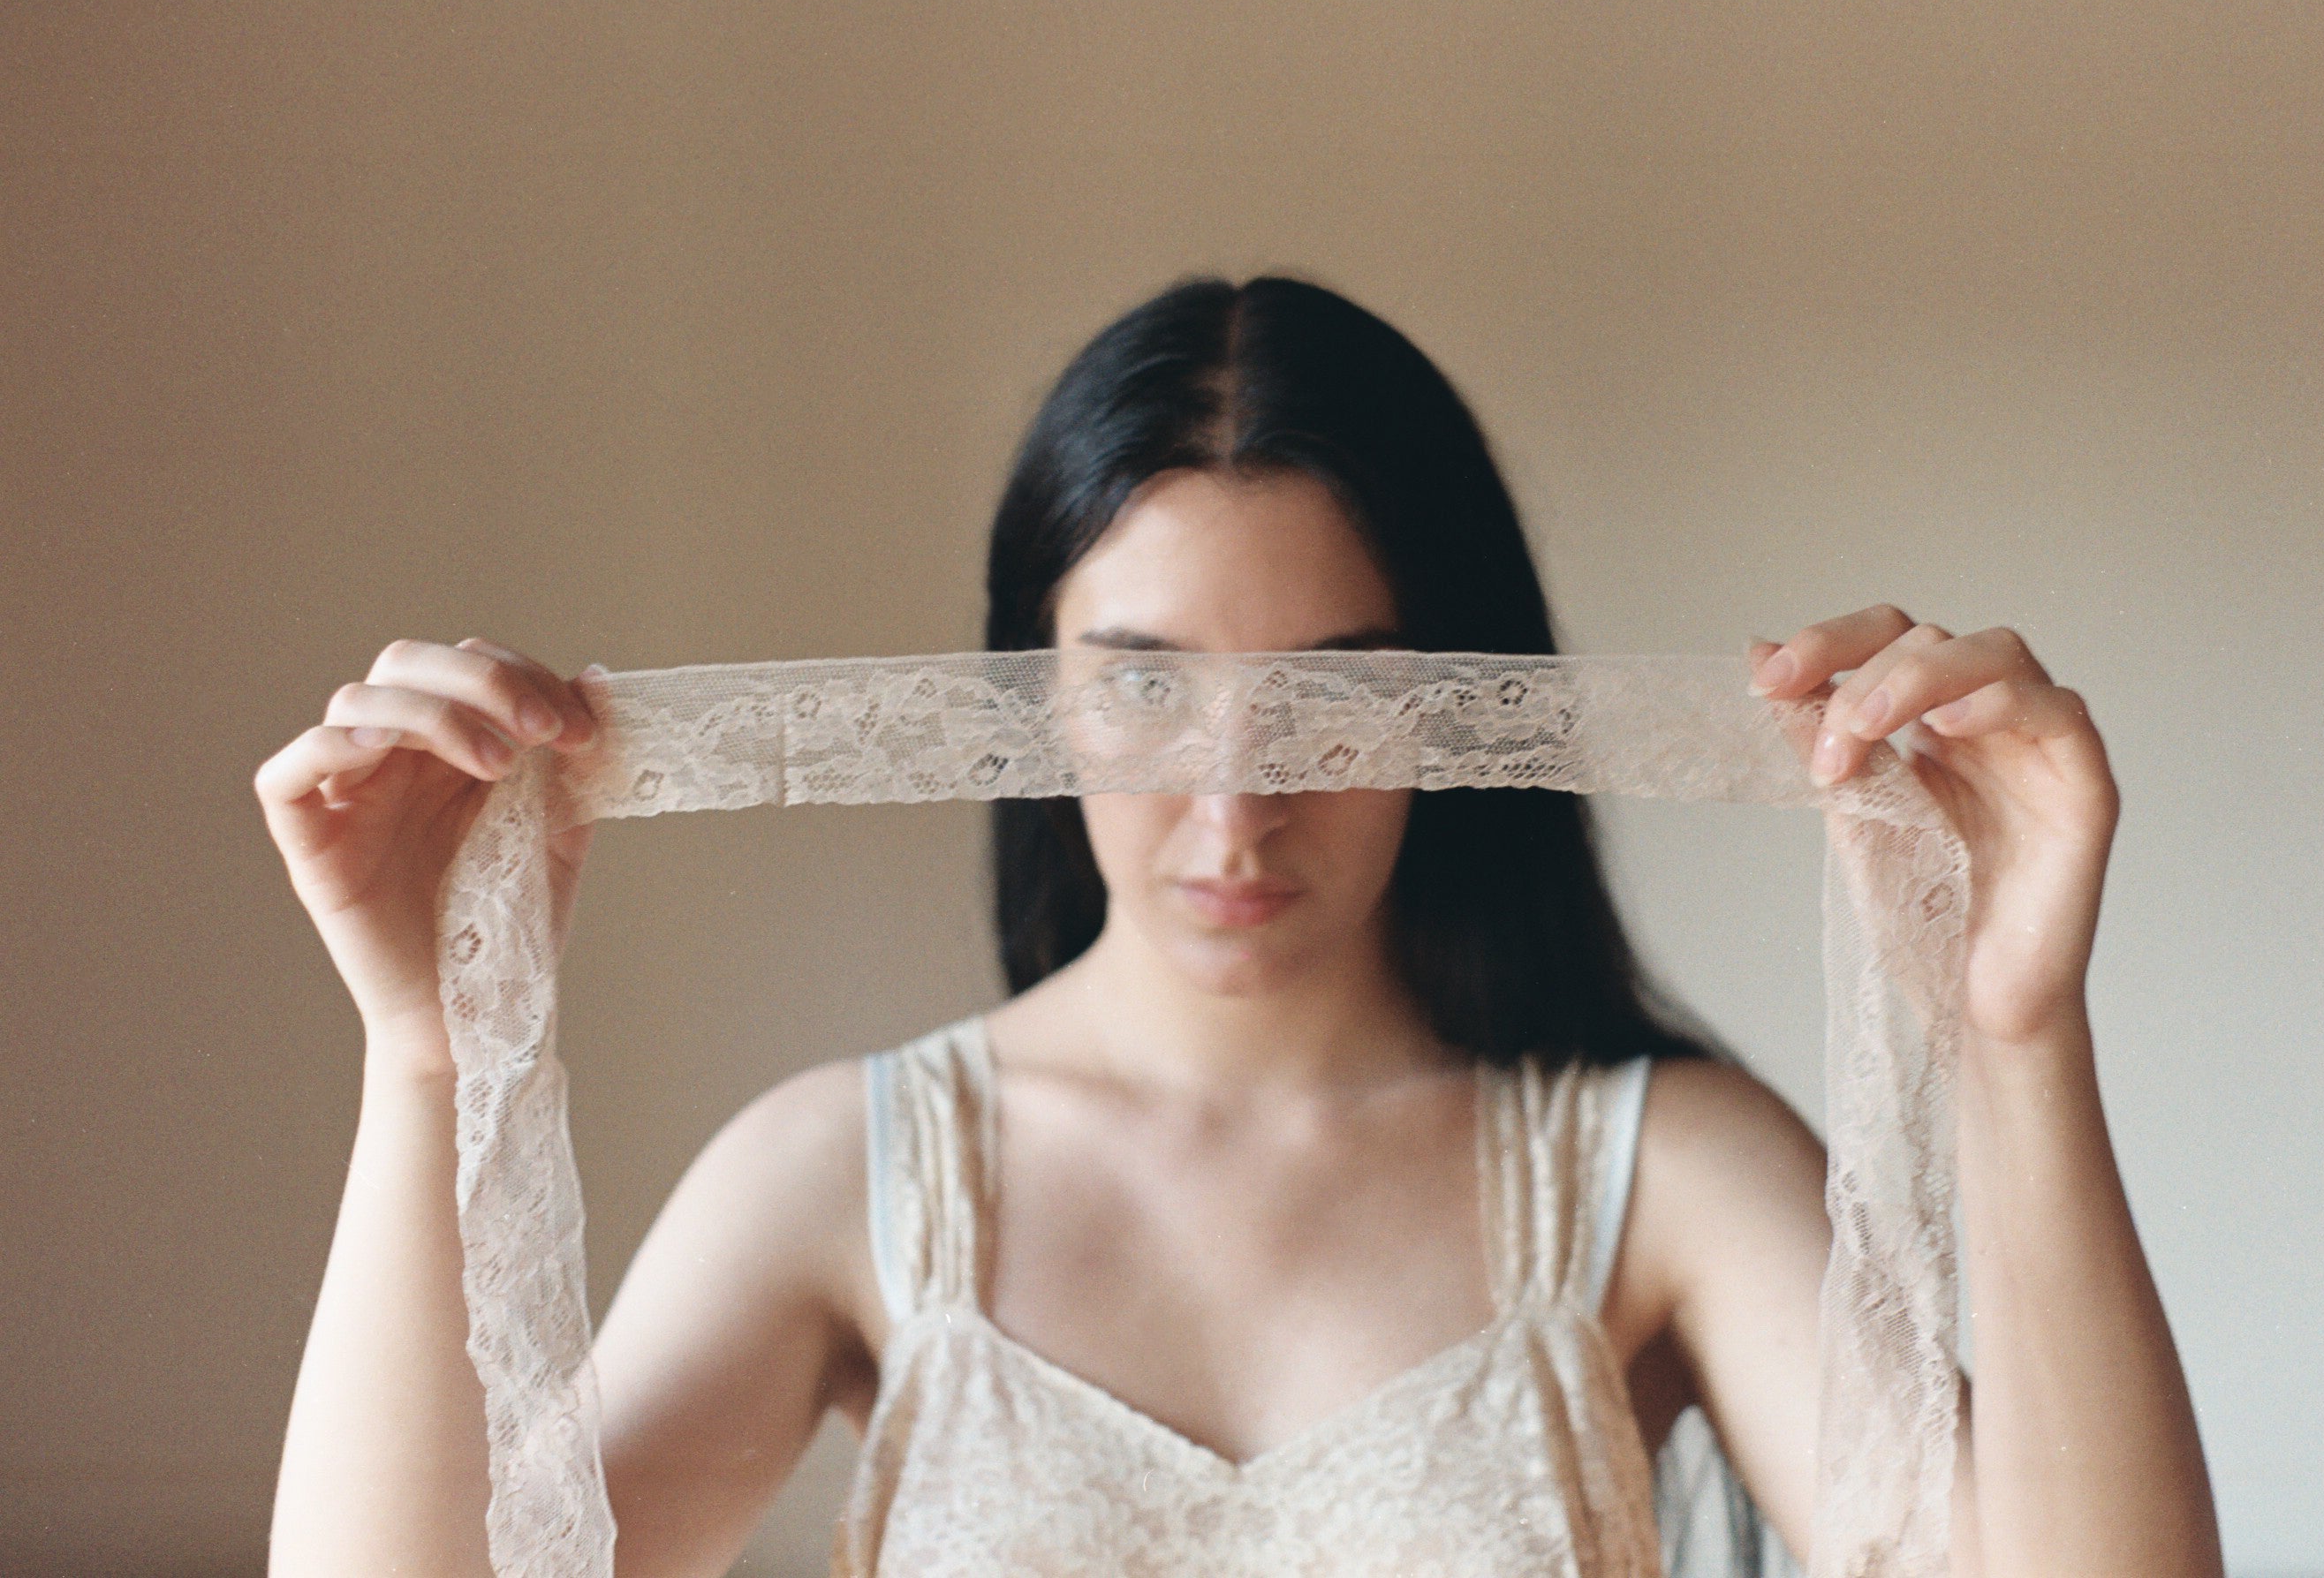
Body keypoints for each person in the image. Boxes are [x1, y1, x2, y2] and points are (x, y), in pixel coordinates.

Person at [256, 276, 2222, 1576]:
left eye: (1336, 698)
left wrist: (2015, 1030)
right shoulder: (845, 1179)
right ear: (1024, 693)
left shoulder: (1652, 1173)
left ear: (1460, 706)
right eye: (1139, 684)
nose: (1232, 802)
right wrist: (428, 1053)